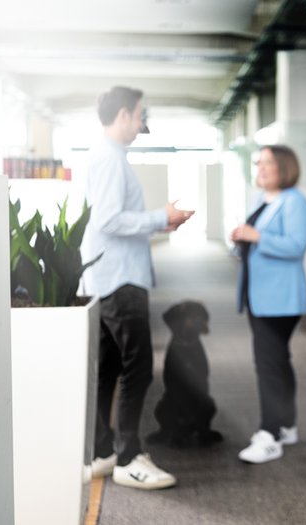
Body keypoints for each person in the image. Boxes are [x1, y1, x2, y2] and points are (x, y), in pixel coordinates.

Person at [83, 86, 194, 490]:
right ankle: (128, 457)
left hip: (109, 276)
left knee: (110, 368)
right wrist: (157, 216)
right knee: (138, 368)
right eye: (140, 114)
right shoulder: (110, 159)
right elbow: (109, 221)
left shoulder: (105, 157)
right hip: (121, 279)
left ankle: (102, 451)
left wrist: (160, 222)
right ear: (125, 114)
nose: (142, 122)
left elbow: (112, 219)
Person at [231, 144, 306, 464]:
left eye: (267, 163)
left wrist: (256, 237)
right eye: (258, 163)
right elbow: (254, 241)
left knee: (268, 364)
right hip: (258, 293)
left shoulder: (295, 202)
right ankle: (287, 425)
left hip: (280, 298)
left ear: (284, 167)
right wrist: (242, 239)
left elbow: (296, 245)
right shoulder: (260, 199)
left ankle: (270, 434)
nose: (261, 168)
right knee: (277, 360)